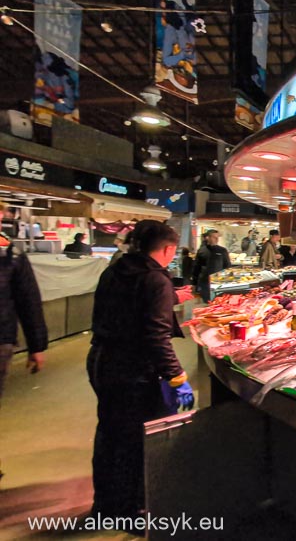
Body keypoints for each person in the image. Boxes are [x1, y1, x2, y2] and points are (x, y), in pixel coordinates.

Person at [87, 220, 194, 523]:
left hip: (102, 360)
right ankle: (131, 512)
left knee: (109, 433)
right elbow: (155, 338)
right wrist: (177, 378)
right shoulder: (156, 281)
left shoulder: (117, 269)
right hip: (133, 369)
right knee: (136, 440)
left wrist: (172, 296)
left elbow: (129, 303)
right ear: (169, 249)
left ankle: (105, 505)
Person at [0, 201, 46, 406]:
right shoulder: (12, 255)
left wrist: (36, 345)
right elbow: (28, 301)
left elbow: (29, 302)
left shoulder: (12, 255)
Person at [192, 229, 231, 300]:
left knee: (218, 303)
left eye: (217, 237)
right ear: (208, 238)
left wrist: (227, 282)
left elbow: (227, 267)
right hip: (205, 282)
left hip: (219, 282)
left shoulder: (222, 250)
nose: (216, 239)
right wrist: (194, 284)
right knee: (205, 303)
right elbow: (196, 268)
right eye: (214, 237)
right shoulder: (201, 251)